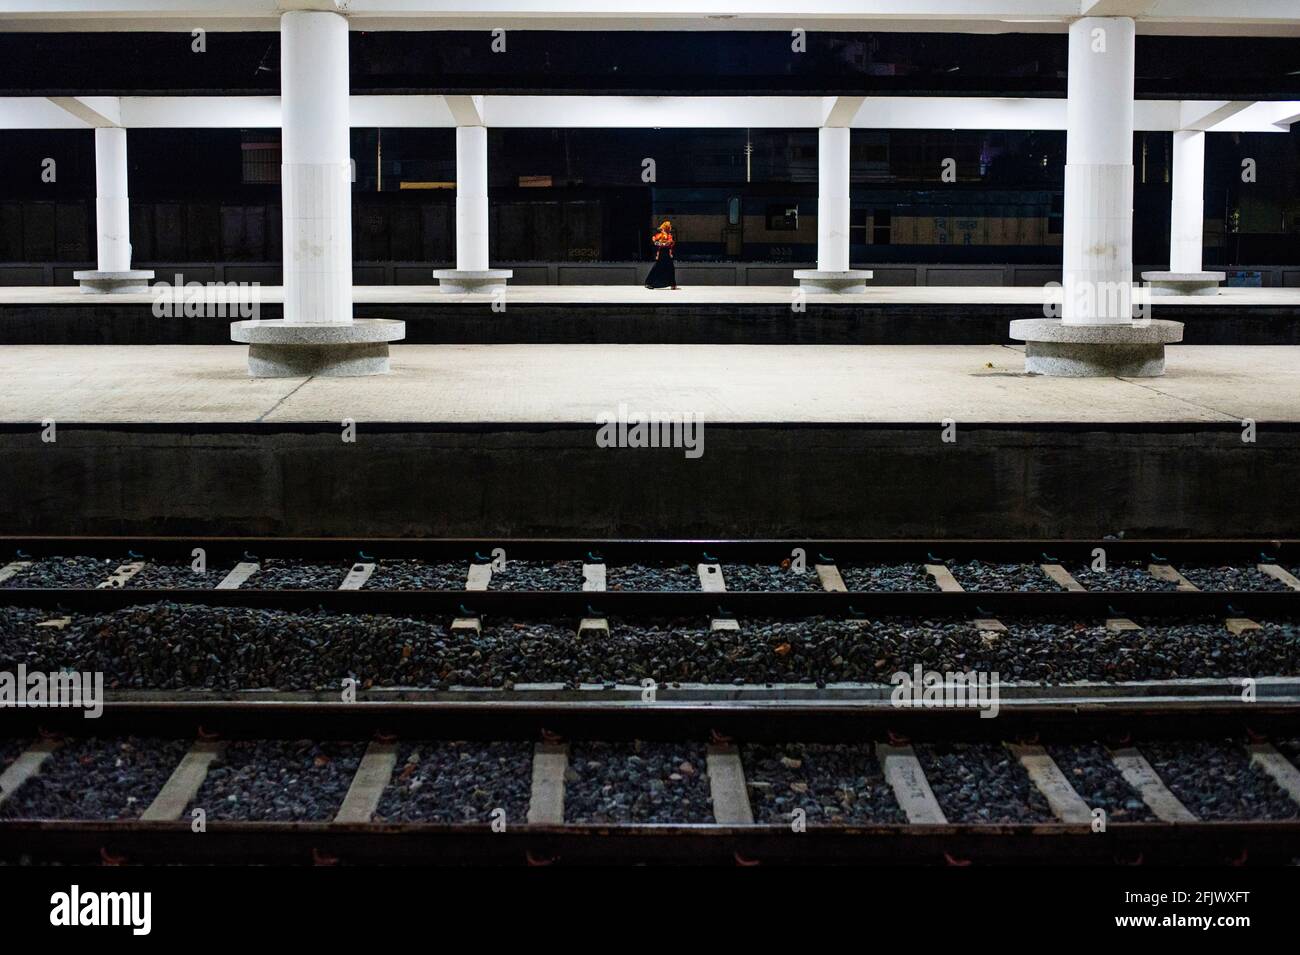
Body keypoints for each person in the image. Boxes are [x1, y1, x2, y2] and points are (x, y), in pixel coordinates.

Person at [645, 219, 678, 290]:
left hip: (667, 252)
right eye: (668, 227)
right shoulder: (660, 235)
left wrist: (664, 243)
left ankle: (672, 284)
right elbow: (654, 240)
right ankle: (649, 282)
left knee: (670, 267)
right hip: (662, 252)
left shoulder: (669, 235)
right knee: (657, 267)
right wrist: (661, 243)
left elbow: (670, 243)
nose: (669, 229)